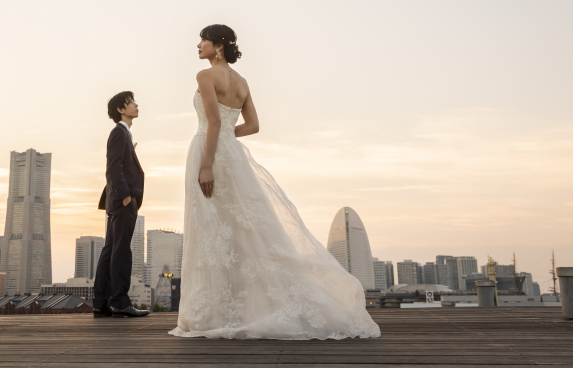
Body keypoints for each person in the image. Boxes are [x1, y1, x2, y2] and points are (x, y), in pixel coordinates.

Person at [170, 24, 381, 340]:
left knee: (210, 229)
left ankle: (212, 312)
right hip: (232, 154)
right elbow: (253, 125)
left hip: (209, 151)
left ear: (218, 46)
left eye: (203, 40)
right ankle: (237, 308)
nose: (198, 45)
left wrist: (206, 164)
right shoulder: (242, 83)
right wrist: (228, 135)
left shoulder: (204, 76)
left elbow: (213, 121)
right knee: (241, 231)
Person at [93, 91, 149, 318]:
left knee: (111, 251)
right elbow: (113, 167)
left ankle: (101, 302)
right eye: (131, 103)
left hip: (118, 201)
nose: (137, 105)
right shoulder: (118, 132)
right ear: (121, 109)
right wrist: (126, 196)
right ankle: (120, 301)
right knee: (121, 252)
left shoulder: (123, 134)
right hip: (123, 201)